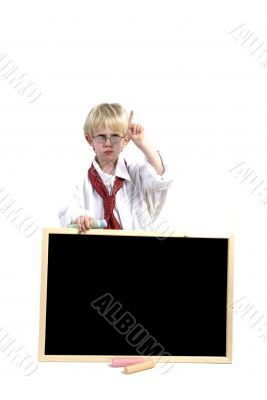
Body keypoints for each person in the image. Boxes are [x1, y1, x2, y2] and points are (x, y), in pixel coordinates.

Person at [58, 103, 172, 232]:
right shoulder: (79, 181)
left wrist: (141, 143)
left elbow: (160, 176)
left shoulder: (138, 175)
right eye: (101, 136)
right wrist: (79, 218)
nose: (108, 143)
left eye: (115, 136)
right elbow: (67, 210)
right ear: (90, 140)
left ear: (126, 140)